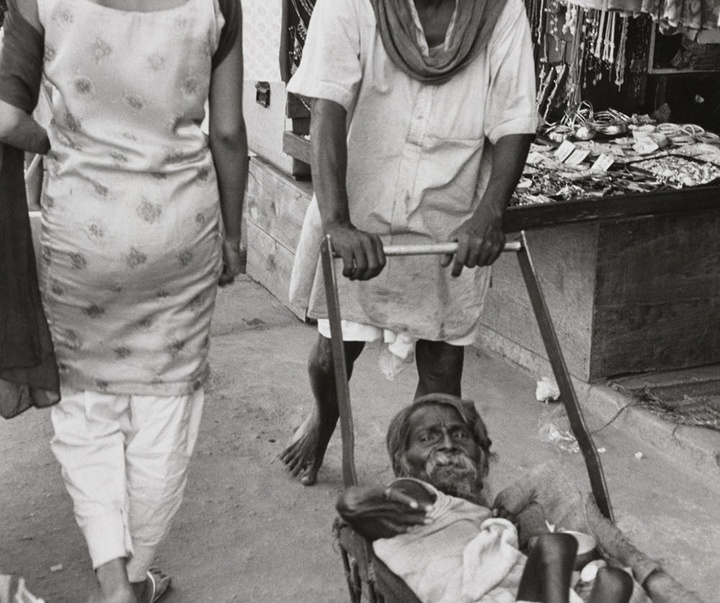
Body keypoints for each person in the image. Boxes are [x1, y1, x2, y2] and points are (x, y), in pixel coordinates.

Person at [0, 0, 247, 601]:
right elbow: (230, 133)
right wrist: (234, 235)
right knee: (167, 407)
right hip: (179, 233)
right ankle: (133, 581)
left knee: (85, 410)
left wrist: (54, 144)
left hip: (82, 234)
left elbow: (6, 121)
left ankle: (114, 577)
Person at [280, 0, 538, 486]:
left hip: (452, 210)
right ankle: (325, 418)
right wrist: (338, 221)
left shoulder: (500, 11)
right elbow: (328, 108)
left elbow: (514, 118)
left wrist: (489, 214)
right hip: (360, 202)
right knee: (331, 355)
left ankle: (423, 480)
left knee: (442, 369)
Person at [337, 394, 635, 603]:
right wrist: (353, 503)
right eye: (428, 439)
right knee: (556, 546)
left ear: (482, 458)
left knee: (615, 581)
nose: (449, 446)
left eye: (460, 436)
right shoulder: (418, 498)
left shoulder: (479, 512)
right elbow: (388, 500)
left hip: (517, 592)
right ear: (403, 460)